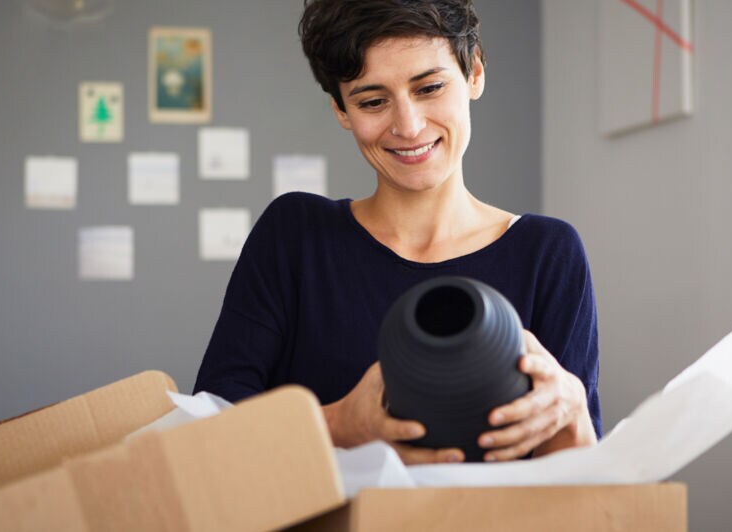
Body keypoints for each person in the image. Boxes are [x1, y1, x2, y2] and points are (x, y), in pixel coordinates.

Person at [194, 0, 599, 464]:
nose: (408, 126)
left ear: (475, 74)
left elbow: (583, 481)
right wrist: (340, 426)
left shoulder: (548, 254)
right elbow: (209, 427)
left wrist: (572, 411)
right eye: (372, 101)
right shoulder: (295, 237)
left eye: (429, 87)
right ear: (341, 110)